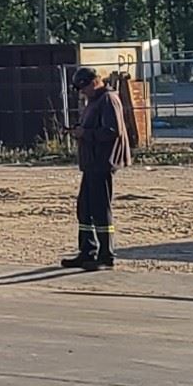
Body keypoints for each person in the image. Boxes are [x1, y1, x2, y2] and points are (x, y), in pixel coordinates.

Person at [64, 67, 130, 270]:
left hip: (103, 162)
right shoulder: (94, 101)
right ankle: (87, 251)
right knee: (85, 209)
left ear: (94, 82)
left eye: (83, 89)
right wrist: (78, 130)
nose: (82, 93)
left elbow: (112, 131)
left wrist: (85, 133)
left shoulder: (108, 99)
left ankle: (106, 256)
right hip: (91, 164)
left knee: (101, 210)